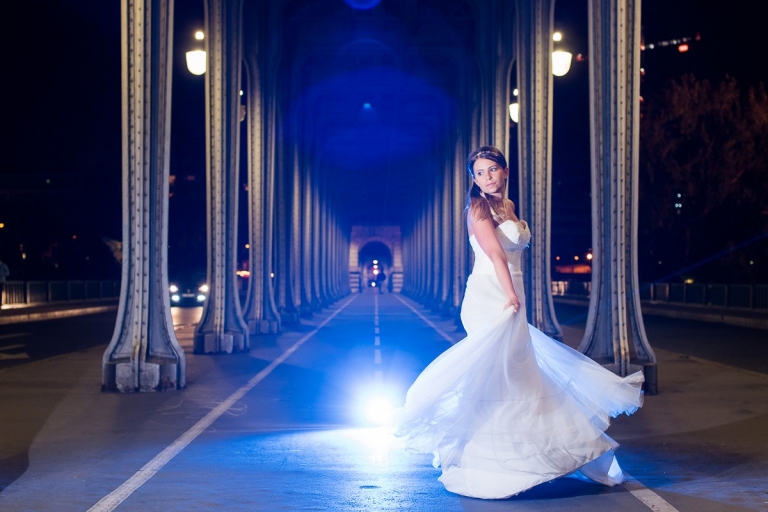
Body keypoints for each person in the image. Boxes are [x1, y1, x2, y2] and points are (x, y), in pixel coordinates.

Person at [394, 146, 644, 499]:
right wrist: (510, 295)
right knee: (501, 375)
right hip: (490, 293)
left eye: (492, 170)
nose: (486, 178)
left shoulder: (508, 208)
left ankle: (535, 454)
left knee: (521, 372)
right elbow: (495, 254)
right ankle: (495, 462)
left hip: (512, 291)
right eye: (479, 173)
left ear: (505, 171)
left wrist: (516, 295)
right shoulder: (478, 207)